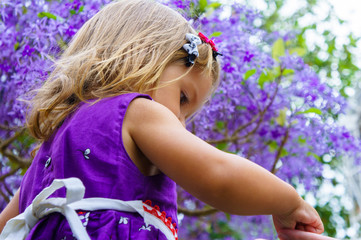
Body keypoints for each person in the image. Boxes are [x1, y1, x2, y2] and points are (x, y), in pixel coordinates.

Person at [0, 0, 326, 239]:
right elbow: (220, 176)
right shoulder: (136, 111)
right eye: (183, 98)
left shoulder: (47, 151)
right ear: (141, 55)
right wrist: (289, 202)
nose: (179, 121)